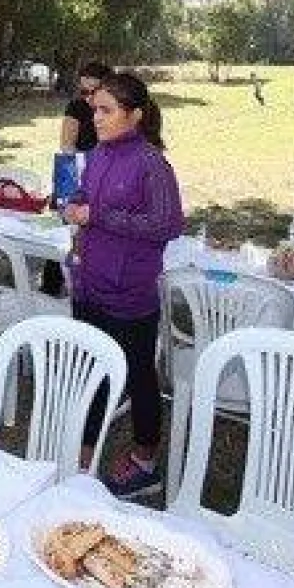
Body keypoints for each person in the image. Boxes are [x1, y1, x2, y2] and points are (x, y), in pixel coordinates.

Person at [61, 71, 184, 497]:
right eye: (94, 109)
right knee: (91, 372)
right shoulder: (98, 153)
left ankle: (146, 462)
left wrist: (98, 217)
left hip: (129, 294)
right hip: (89, 284)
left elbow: (168, 224)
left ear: (134, 115)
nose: (96, 117)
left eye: (106, 110)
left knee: (139, 378)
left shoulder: (152, 163)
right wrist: (75, 204)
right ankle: (83, 458)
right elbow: (84, 195)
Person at [60, 60, 111, 153]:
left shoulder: (118, 109)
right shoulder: (75, 107)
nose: (89, 97)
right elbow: (66, 147)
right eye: (84, 92)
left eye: (95, 91)